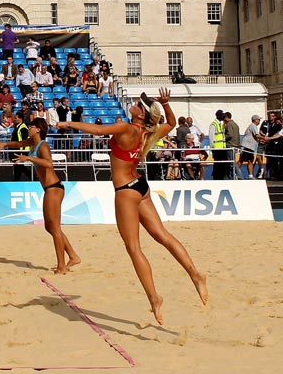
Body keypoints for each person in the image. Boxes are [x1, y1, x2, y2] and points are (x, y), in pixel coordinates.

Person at [67, 88, 207, 325]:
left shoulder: (126, 128)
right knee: (162, 235)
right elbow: (171, 123)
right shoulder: (148, 132)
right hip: (141, 186)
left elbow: (98, 130)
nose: (134, 103)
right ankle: (195, 275)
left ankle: (154, 298)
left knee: (133, 247)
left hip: (126, 191)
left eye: (138, 104)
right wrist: (166, 104)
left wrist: (68, 123)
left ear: (141, 114)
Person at [0, 117, 80, 273]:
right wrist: (4, 144)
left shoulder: (43, 145)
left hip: (54, 187)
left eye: (31, 126)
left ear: (38, 129)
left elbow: (49, 163)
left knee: (55, 228)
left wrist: (28, 158)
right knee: (49, 227)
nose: (29, 128)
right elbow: (19, 144)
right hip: (49, 188)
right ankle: (73, 256)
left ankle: (61, 266)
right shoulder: (32, 143)